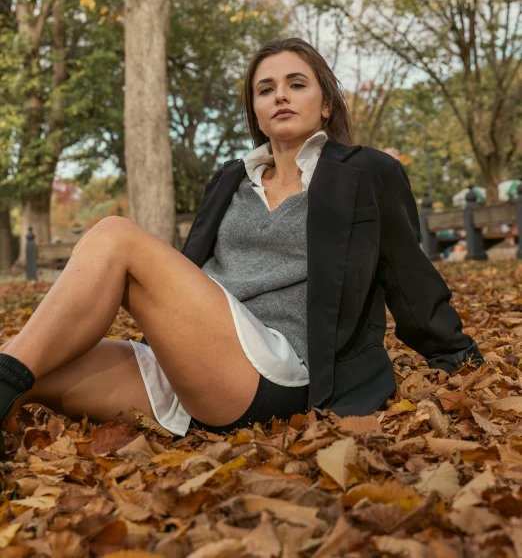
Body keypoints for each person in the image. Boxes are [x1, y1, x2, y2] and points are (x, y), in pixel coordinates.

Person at [0, 38, 485, 458]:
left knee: (115, 236)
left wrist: (457, 356)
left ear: (327, 104)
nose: (281, 95)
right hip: (196, 366)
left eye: (297, 84)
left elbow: (407, 272)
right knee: (32, 362)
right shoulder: (230, 180)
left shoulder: (366, 173)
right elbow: (190, 277)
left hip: (278, 371)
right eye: (266, 88)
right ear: (255, 109)